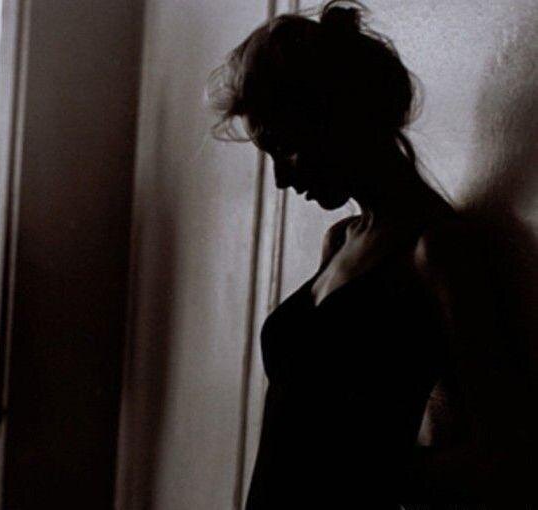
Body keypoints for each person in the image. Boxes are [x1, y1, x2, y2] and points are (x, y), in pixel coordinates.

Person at [208, 1, 536, 506]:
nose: (281, 179)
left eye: (284, 146)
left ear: (333, 118)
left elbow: (504, 454)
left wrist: (368, 475)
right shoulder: (341, 240)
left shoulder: (436, 250)